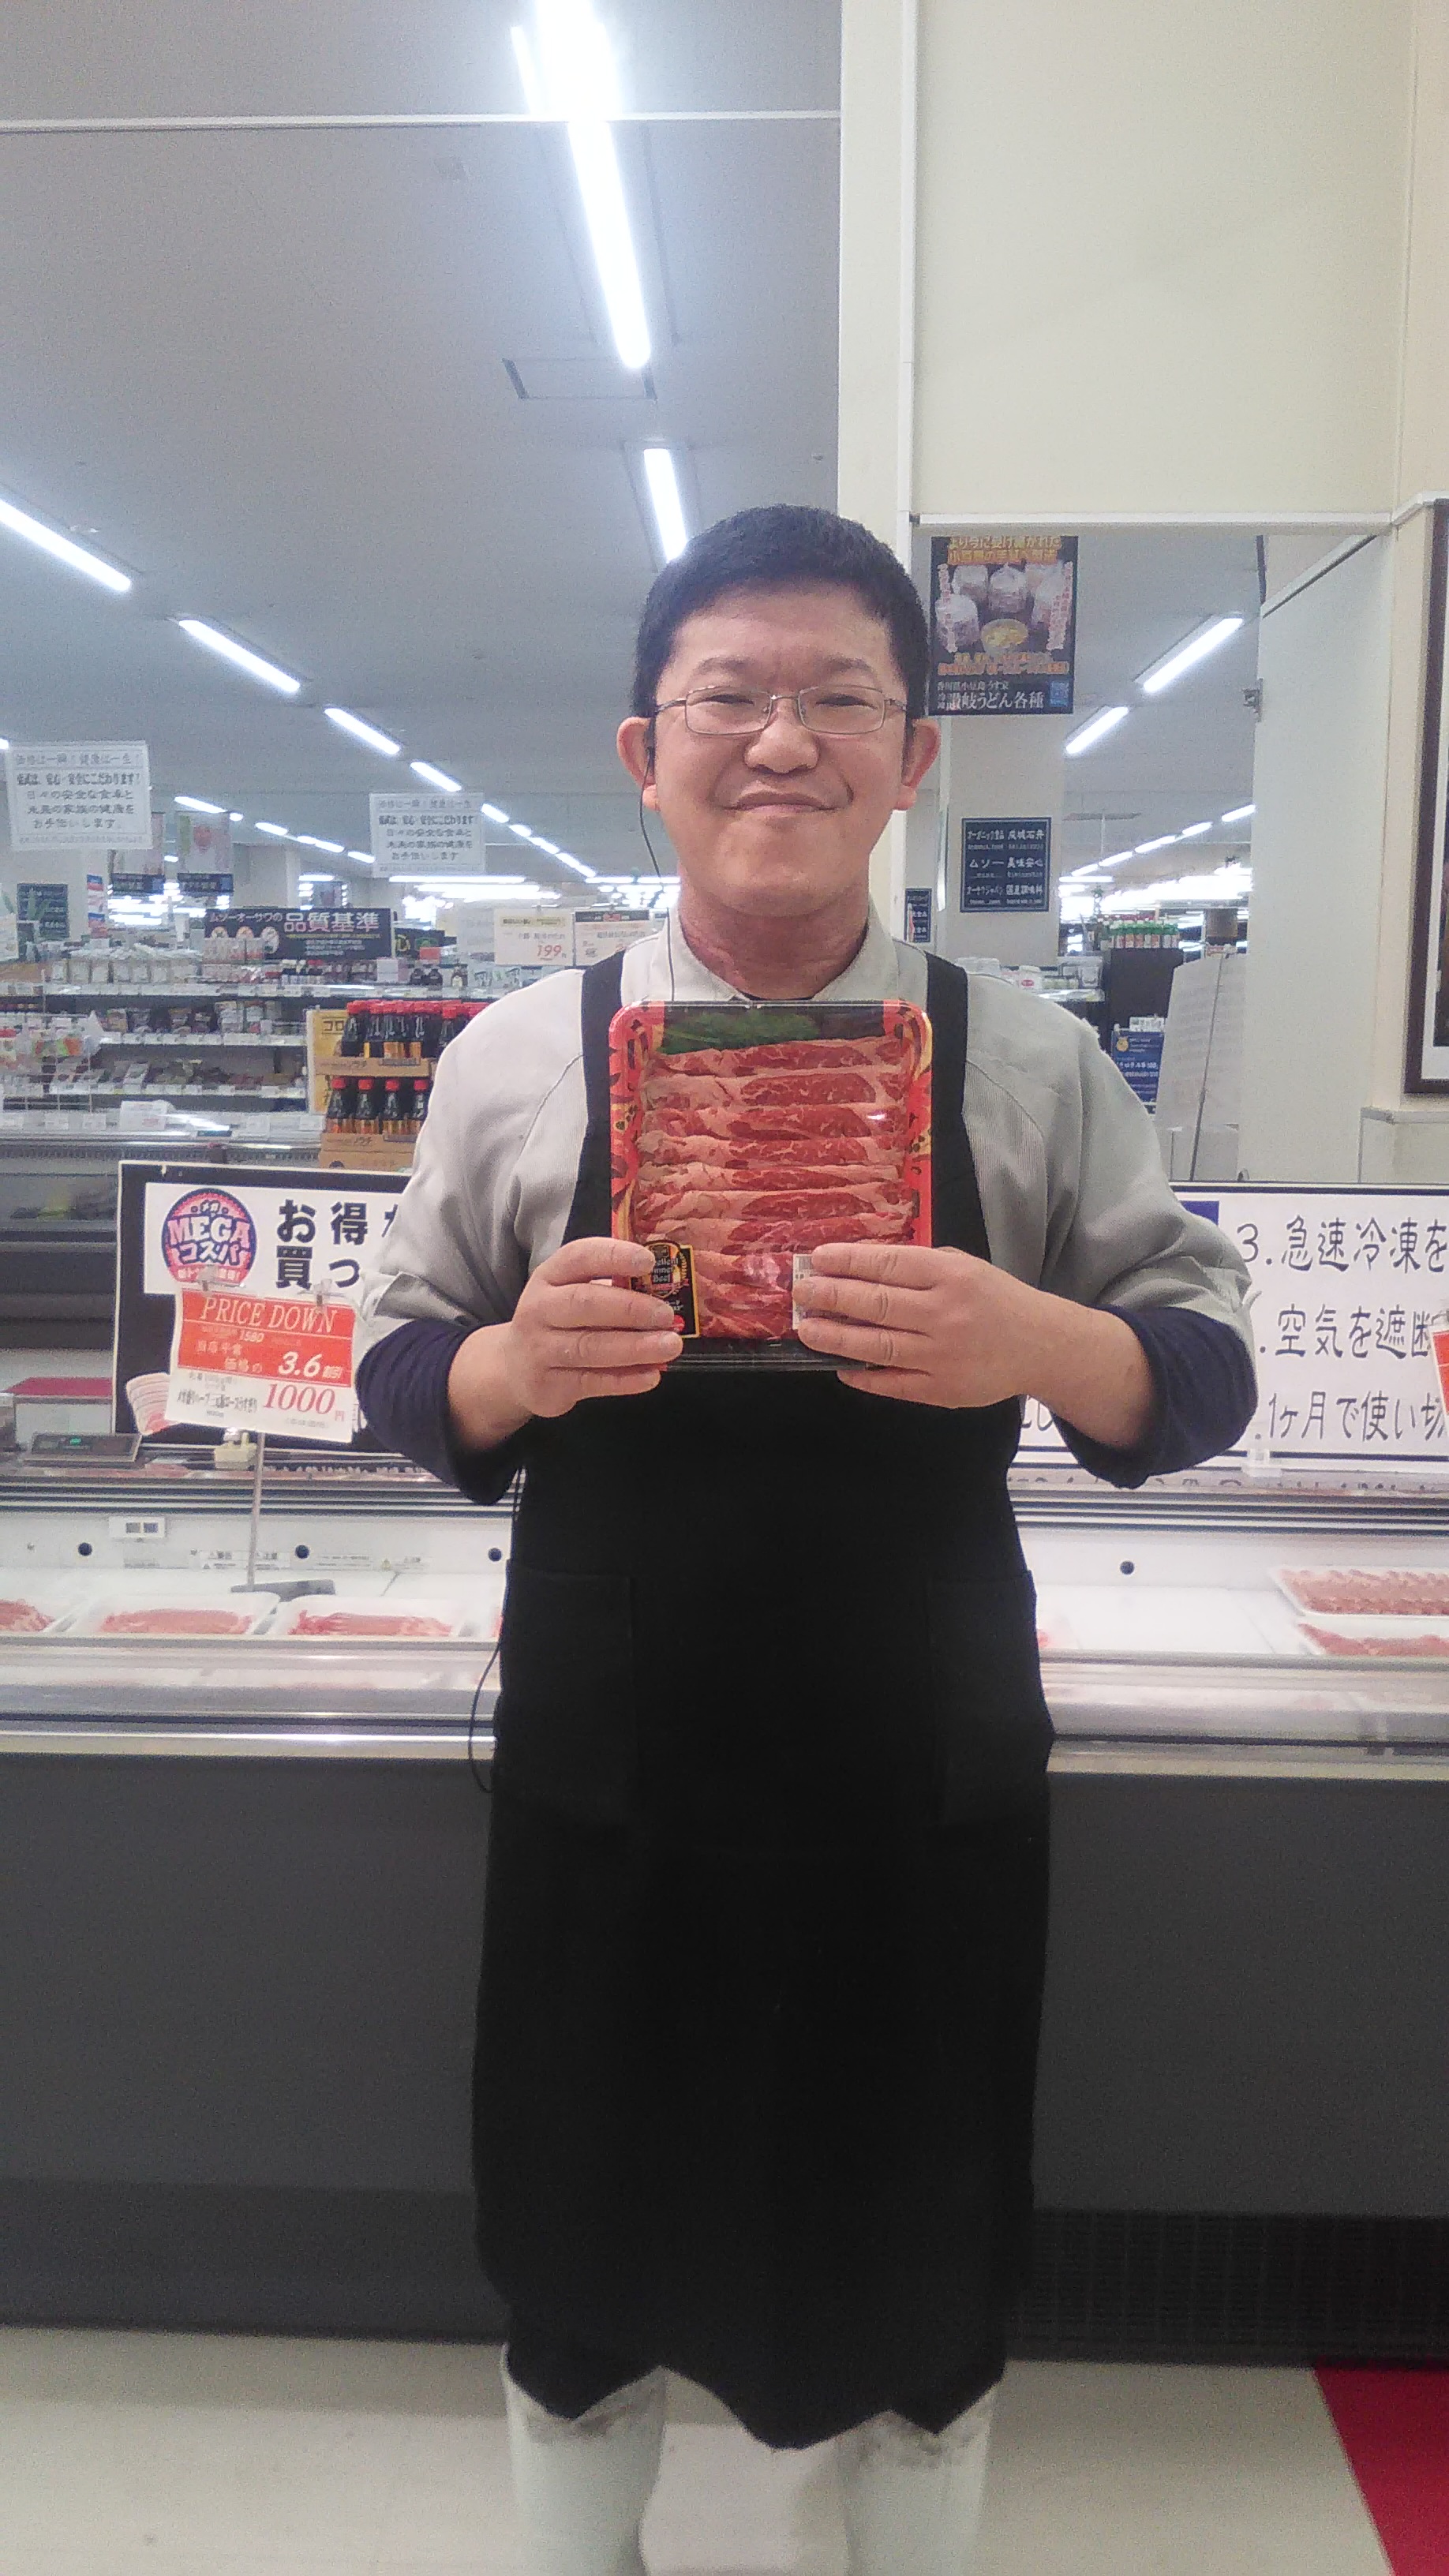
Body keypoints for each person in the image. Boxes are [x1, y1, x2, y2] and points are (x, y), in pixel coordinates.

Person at [357, 504, 1256, 2576]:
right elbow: (397, 1364)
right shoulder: (520, 1058)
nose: (782, 742)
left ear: (913, 754)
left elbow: (1202, 1364)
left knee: (921, 2256)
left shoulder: (1022, 1055)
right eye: (728, 699)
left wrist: (1038, 1338)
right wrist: (510, 1366)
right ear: (644, 751)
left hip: (912, 1771)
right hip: (612, 1764)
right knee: (580, 2246)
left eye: (839, 699)